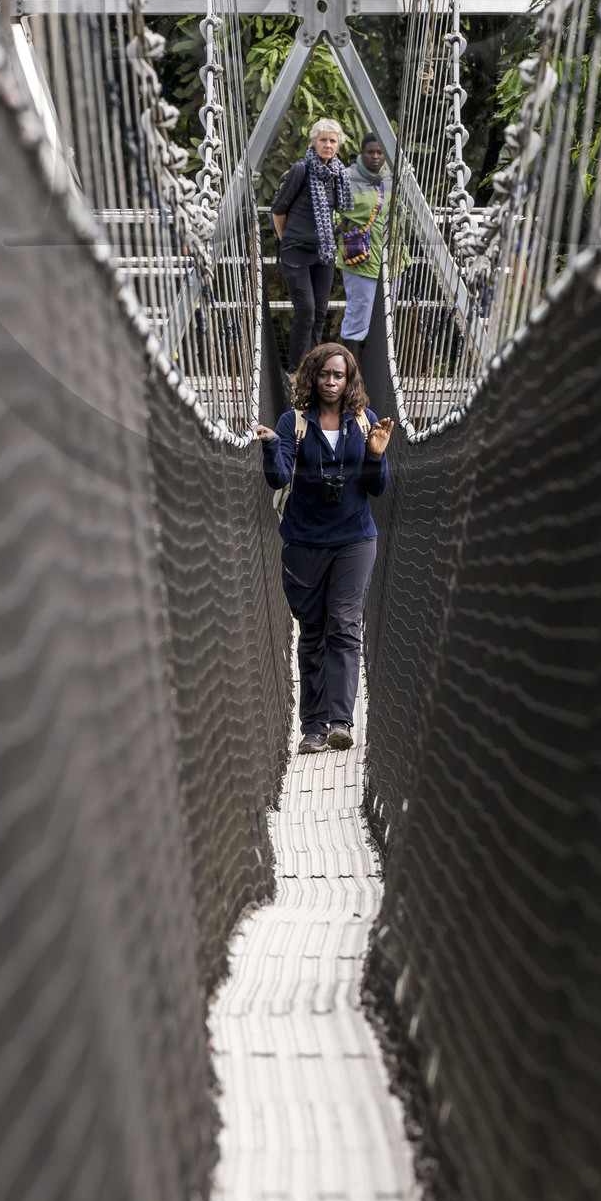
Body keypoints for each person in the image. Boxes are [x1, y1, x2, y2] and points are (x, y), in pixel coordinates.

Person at [257, 344, 394, 754]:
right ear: (312, 378)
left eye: (339, 375)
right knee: (313, 633)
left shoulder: (364, 421)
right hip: (304, 542)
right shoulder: (292, 422)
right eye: (324, 374)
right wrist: (268, 445)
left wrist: (375, 455)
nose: (331, 382)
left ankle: (340, 721)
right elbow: (278, 476)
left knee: (345, 624)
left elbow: (377, 488)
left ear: (350, 379)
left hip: (355, 538)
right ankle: (313, 729)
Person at [270, 118, 348, 371]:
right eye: (323, 139)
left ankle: (313, 368)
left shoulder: (338, 174)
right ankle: (297, 371)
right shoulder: (301, 170)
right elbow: (278, 210)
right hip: (296, 252)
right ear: (313, 142)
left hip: (323, 252)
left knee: (320, 314)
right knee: (306, 310)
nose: (327, 144)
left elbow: (343, 211)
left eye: (332, 140)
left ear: (338, 145)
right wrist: (287, 240)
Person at [338, 133, 388, 358]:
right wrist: (341, 225)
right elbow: (331, 212)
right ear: (361, 153)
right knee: (358, 317)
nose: (376, 157)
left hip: (391, 260)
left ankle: (377, 379)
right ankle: (351, 375)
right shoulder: (346, 178)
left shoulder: (395, 176)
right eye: (371, 152)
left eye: (380, 152)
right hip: (361, 259)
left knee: (385, 319)